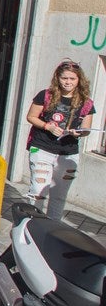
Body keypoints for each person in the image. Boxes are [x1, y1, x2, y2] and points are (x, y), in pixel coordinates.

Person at [24, 60, 96, 219]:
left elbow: (86, 130)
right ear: (58, 78)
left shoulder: (87, 103)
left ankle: (51, 229)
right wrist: (47, 126)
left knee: (59, 196)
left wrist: (78, 133)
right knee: (38, 191)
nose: (68, 82)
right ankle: (31, 224)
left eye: (72, 79)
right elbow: (31, 117)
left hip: (68, 153)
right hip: (42, 148)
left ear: (79, 80)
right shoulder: (46, 95)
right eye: (64, 78)